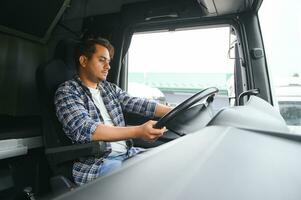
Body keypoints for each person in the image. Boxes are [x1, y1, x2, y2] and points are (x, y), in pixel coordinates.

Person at [54, 38, 172, 185]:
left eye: (109, 61)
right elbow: (87, 130)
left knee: (167, 166)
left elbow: (138, 104)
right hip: (98, 163)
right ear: (84, 61)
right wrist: (138, 131)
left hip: (128, 153)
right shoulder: (67, 92)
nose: (108, 66)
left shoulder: (109, 88)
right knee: (137, 183)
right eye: (102, 60)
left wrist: (172, 111)